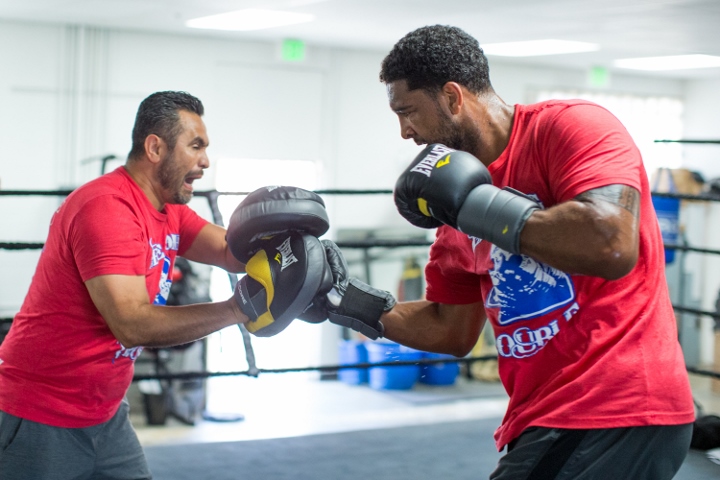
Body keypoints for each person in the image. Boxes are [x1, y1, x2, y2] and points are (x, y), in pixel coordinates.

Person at [311, 25, 696, 479]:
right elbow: (449, 330)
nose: (405, 132)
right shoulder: (450, 212)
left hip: (615, 405)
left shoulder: (573, 127)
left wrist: (478, 208)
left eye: (408, 112)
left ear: (453, 98)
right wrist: (342, 299)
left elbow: (611, 243)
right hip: (546, 416)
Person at [0, 91, 331, 479]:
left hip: (105, 413)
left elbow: (229, 251)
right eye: (195, 146)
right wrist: (237, 309)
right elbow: (132, 325)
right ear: (155, 147)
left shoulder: (168, 209)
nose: (205, 161)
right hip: (40, 413)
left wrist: (297, 247)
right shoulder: (107, 208)